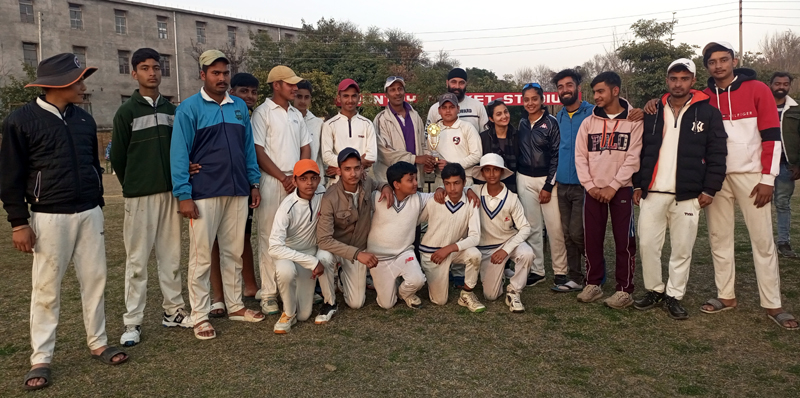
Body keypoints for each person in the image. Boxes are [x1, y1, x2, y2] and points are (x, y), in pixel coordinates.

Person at [644, 42, 798, 329]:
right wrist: (651, 103)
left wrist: (768, 178)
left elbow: (771, 136)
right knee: (719, 238)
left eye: (723, 60)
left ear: (733, 60)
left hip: (751, 176)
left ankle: (773, 303)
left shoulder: (757, 89)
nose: (718, 66)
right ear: (706, 67)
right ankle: (726, 296)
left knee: (762, 241)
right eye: (712, 62)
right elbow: (674, 102)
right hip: (716, 178)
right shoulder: (703, 96)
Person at [1, 53, 128, 391]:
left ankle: (98, 341)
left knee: (95, 279)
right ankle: (41, 357)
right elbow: (10, 175)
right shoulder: (21, 120)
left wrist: (98, 200)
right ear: (57, 84)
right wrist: (18, 221)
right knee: (46, 288)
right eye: (78, 79)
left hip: (89, 212)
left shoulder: (84, 120)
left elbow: (92, 164)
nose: (83, 85)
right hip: (48, 216)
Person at [171, 50, 265, 340]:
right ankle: (199, 315)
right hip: (204, 192)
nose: (221, 77)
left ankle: (235, 305)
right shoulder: (188, 108)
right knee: (201, 256)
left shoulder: (239, 107)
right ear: (203, 75)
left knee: (233, 251)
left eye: (225, 73)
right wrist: (183, 193)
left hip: (237, 190)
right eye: (215, 73)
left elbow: (248, 149)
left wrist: (254, 182)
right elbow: (179, 153)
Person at [632, 59, 728, 320]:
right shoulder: (652, 111)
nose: (678, 83)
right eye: (674, 78)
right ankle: (654, 289)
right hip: (653, 192)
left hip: (688, 194)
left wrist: (710, 189)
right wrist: (638, 184)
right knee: (648, 245)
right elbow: (640, 152)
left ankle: (674, 295)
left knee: (682, 249)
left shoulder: (708, 113)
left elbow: (718, 153)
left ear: (693, 81)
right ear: (667, 81)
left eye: (684, 78)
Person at [111, 47, 189, 347]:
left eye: (156, 67)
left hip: (171, 194)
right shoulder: (126, 112)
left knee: (171, 257)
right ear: (134, 73)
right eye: (145, 68)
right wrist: (135, 183)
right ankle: (133, 322)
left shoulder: (173, 112)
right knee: (138, 261)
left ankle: (174, 311)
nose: (152, 73)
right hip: (139, 197)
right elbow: (117, 157)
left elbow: (181, 152)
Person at [574, 71, 643, 310]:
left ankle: (625, 289)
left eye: (600, 91)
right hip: (593, 191)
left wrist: (613, 186)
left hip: (621, 189)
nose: (596, 96)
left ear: (615, 90)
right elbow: (580, 157)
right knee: (592, 239)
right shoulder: (588, 123)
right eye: (594, 92)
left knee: (624, 241)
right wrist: (591, 186)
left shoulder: (633, 120)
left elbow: (633, 158)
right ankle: (593, 284)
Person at [250, 65, 311, 315]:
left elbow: (305, 146)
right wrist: (282, 177)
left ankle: (291, 289)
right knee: (268, 237)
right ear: (276, 85)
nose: (295, 88)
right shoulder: (262, 113)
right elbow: (258, 150)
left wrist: (297, 175)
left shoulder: (296, 114)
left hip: (295, 181)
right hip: (272, 181)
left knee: (293, 236)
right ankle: (268, 293)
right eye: (290, 84)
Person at [207, 72, 261, 317]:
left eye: (253, 92)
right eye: (243, 91)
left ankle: (249, 286)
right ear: (233, 91)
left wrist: (253, 183)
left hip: (241, 186)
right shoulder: (215, 109)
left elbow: (249, 151)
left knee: (242, 237)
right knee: (215, 242)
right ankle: (218, 298)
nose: (249, 96)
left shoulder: (248, 116)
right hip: (213, 187)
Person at [316, 148, 392, 309]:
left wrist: (385, 186)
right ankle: (329, 300)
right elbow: (323, 240)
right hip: (338, 249)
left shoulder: (367, 183)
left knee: (356, 303)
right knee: (324, 257)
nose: (353, 174)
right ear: (339, 171)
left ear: (362, 168)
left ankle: (343, 275)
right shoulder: (330, 197)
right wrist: (358, 254)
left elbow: (377, 183)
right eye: (347, 169)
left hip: (358, 249)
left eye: (357, 168)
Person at [269, 160, 337, 333]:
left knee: (304, 315)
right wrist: (311, 262)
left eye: (313, 178)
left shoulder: (322, 192)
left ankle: (328, 302)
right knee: (285, 271)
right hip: (289, 254)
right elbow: (274, 247)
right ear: (294, 181)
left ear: (319, 179)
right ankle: (288, 313)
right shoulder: (287, 207)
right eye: (303, 178)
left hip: (311, 253)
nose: (309, 183)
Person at [515, 83, 568, 288]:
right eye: (526, 99)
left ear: (542, 100)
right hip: (525, 179)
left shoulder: (551, 123)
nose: (530, 103)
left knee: (555, 228)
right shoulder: (521, 123)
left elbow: (557, 155)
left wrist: (548, 185)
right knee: (533, 227)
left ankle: (560, 271)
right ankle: (537, 270)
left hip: (547, 180)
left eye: (534, 99)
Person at [472, 154, 534, 313]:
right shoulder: (474, 190)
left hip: (508, 244)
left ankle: (514, 291)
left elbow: (525, 227)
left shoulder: (512, 198)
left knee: (526, 253)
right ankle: (501, 276)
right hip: (486, 250)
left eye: (496, 170)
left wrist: (505, 250)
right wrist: (439, 188)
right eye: (487, 170)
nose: (491, 174)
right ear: (482, 173)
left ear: (502, 172)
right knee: (490, 295)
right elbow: (457, 189)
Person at [366, 161, 432, 309]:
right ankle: (391, 282)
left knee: (418, 280)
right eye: (410, 180)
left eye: (415, 178)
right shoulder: (377, 197)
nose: (415, 183)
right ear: (396, 184)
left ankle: (405, 293)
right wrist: (382, 185)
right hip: (379, 258)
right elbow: (365, 186)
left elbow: (442, 194)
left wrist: (441, 188)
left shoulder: (418, 198)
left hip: (404, 253)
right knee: (386, 305)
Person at [419, 163, 483, 311]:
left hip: (452, 251)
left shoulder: (471, 202)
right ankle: (425, 276)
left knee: (475, 254)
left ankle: (466, 294)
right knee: (440, 301)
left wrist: (448, 249)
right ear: (443, 183)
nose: (452, 189)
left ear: (464, 183)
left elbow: (475, 237)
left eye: (457, 183)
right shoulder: (435, 200)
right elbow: (416, 221)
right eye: (447, 184)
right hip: (432, 254)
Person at [374, 76, 436, 187]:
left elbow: (423, 144)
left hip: (414, 181)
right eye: (392, 90)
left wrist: (427, 162)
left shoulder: (415, 116)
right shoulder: (381, 119)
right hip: (392, 182)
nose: (397, 93)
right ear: (386, 95)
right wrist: (416, 159)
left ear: (404, 92)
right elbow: (385, 152)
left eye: (400, 89)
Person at [321, 79, 378, 185]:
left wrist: (342, 168)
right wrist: (357, 165)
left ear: (359, 98)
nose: (350, 100)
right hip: (337, 182)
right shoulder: (329, 125)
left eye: (354, 96)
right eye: (346, 96)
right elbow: (327, 156)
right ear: (339, 98)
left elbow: (372, 156)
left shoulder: (367, 124)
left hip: (362, 180)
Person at [770, 72, 800, 258]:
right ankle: (763, 241)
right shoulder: (760, 105)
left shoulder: (796, 109)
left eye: (785, 83)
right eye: (777, 83)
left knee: (782, 203)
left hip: (785, 165)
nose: (781, 86)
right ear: (770, 84)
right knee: (759, 205)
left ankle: (783, 242)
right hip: (761, 163)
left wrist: (798, 164)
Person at [431, 93, 483, 186]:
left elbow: (477, 155)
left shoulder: (467, 127)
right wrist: (430, 164)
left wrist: (451, 165)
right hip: (441, 181)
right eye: (444, 107)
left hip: (464, 180)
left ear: (458, 109)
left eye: (451, 107)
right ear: (439, 110)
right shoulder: (434, 130)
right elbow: (431, 152)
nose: (448, 111)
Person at [427, 68, 489, 134]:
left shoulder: (478, 106)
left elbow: (486, 136)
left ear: (466, 84)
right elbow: (428, 137)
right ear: (447, 83)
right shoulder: (435, 109)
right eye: (453, 82)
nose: (457, 86)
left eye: (461, 83)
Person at [479, 99, 518, 192]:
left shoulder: (517, 136)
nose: (504, 116)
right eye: (499, 114)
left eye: (506, 112)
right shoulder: (484, 138)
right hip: (489, 187)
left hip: (515, 185)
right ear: (491, 118)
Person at [293, 80, 325, 177]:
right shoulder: (285, 120)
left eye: (306, 97)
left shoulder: (318, 123)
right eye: (299, 96)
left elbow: (322, 154)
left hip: (314, 179)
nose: (303, 101)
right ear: (293, 96)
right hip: (290, 177)